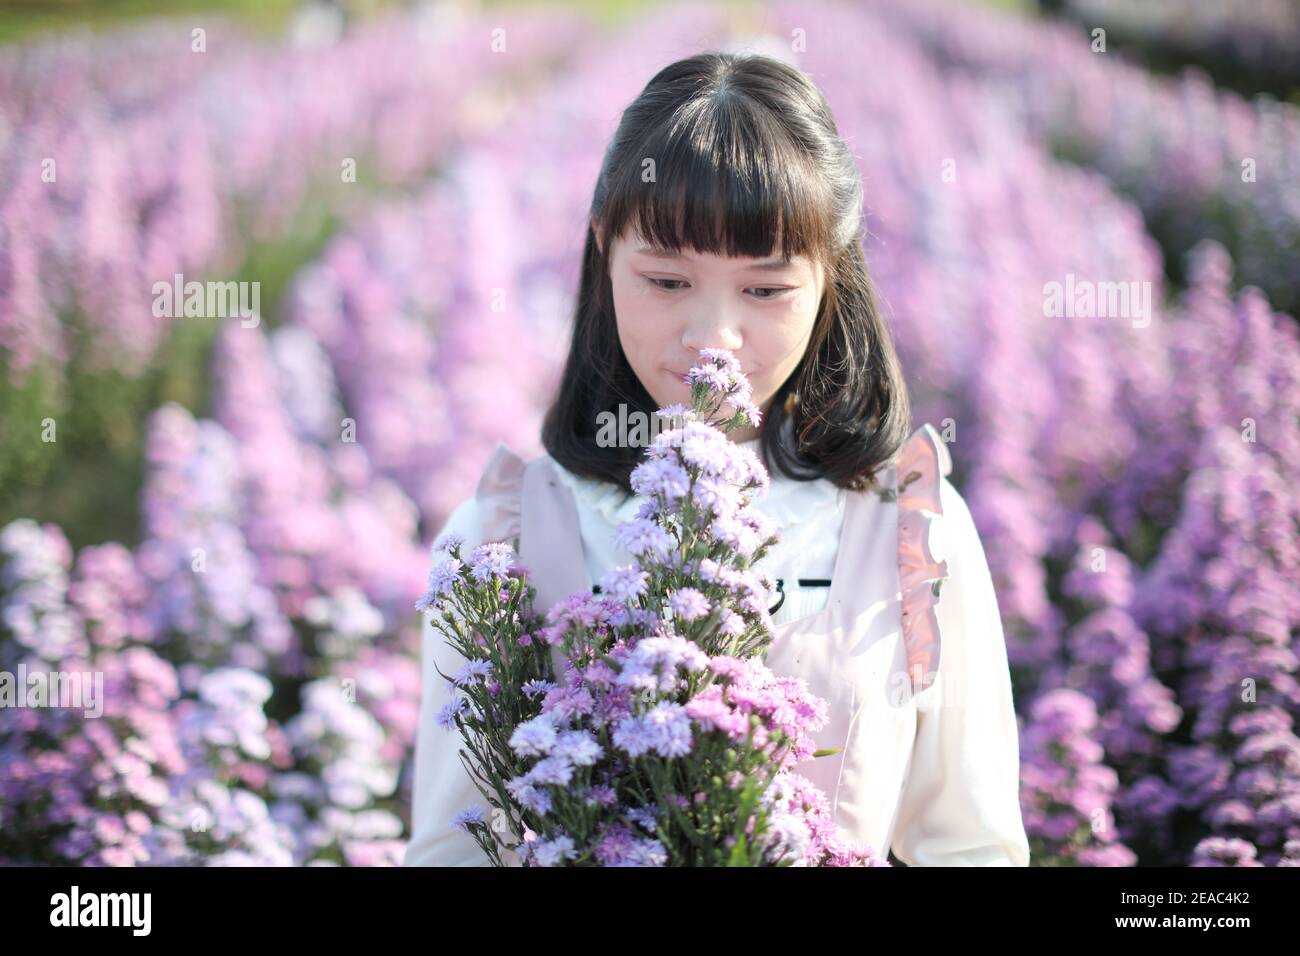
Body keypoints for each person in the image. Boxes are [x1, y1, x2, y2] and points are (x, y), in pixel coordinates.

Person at [405, 50, 1030, 867]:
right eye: (666, 281)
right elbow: (454, 853)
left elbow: (972, 846)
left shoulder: (912, 530)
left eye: (765, 291)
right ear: (603, 252)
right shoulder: (500, 540)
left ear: (830, 280)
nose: (713, 339)